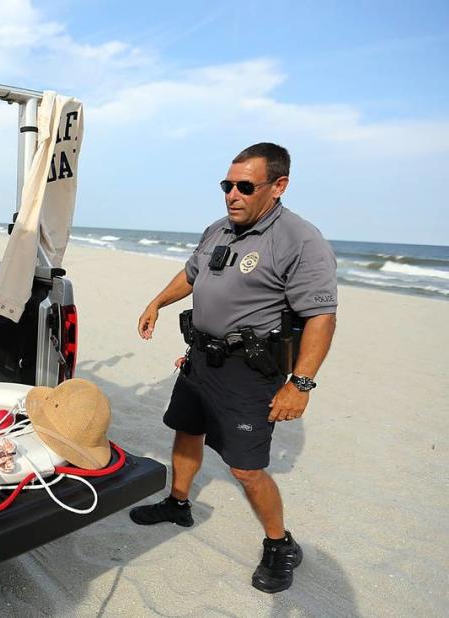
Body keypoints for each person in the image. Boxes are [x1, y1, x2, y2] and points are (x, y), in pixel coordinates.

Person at [131, 143, 337, 594]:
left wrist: (300, 385)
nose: (232, 195)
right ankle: (178, 503)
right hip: (201, 357)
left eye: (245, 186)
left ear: (278, 186)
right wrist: (157, 302)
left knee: (245, 468)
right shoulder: (218, 230)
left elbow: (321, 316)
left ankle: (280, 544)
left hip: (249, 371)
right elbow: (192, 274)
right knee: (186, 430)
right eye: (228, 185)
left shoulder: (300, 240)